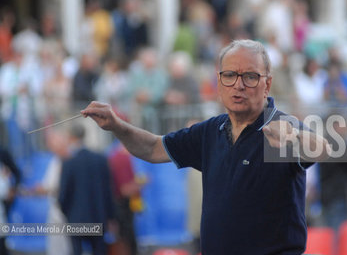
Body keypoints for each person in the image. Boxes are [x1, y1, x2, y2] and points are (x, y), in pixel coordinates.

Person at [82, 39, 330, 255]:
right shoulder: (210, 131)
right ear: (219, 83)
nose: (239, 85)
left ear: (267, 84)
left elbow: (321, 149)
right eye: (230, 75)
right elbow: (152, 148)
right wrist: (117, 125)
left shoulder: (281, 127)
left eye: (251, 76)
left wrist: (295, 137)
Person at [58, 123, 115, 255]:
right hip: (98, 218)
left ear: (71, 137)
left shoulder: (68, 163)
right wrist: (111, 217)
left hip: (76, 220)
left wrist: (68, 215)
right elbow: (108, 192)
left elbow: (63, 195)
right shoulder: (100, 159)